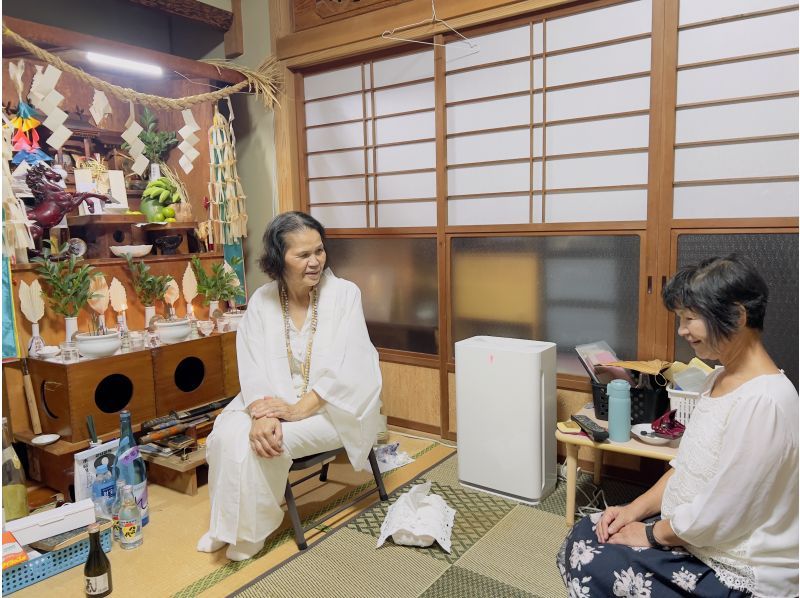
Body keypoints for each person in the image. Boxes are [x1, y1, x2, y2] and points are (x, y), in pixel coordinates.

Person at [558, 254, 798, 597]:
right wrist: (632, 510)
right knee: (589, 530)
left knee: (591, 558)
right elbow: (685, 469)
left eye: (690, 318)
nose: (682, 330)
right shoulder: (716, 378)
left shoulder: (765, 402)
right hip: (693, 533)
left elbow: (722, 513)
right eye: (680, 319)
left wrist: (650, 534)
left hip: (732, 563)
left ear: (738, 315)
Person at [197, 211, 383, 561]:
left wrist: (298, 409)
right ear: (278, 258)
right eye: (303, 254)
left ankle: (248, 533)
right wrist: (263, 413)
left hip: (332, 409)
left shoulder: (345, 295)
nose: (315, 261)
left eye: (319, 251)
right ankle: (225, 526)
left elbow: (354, 366)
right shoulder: (262, 300)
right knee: (225, 434)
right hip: (270, 400)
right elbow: (251, 362)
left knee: (265, 444)